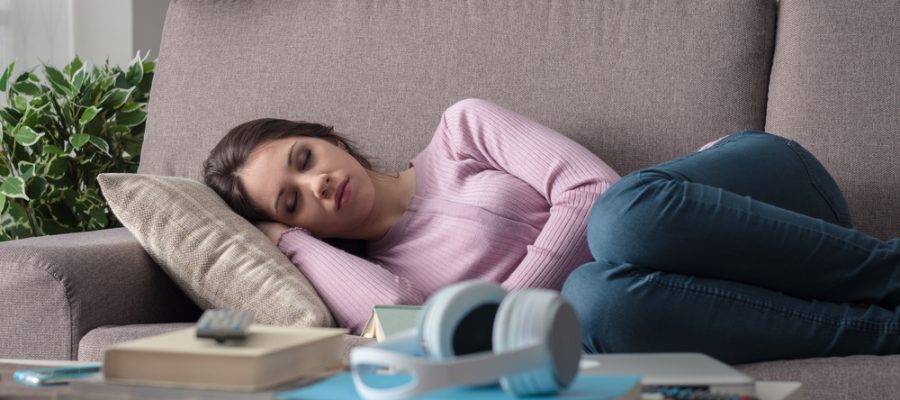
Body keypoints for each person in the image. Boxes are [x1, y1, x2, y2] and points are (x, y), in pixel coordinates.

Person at [203, 98, 899, 364]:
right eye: (291, 205)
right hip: (695, 294)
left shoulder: (462, 130)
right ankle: (882, 332)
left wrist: (507, 312)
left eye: (304, 159)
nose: (317, 185)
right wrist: (290, 248)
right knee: (598, 306)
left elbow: (592, 191)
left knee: (620, 219)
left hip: (760, 202)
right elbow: (419, 329)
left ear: (325, 136)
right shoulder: (396, 283)